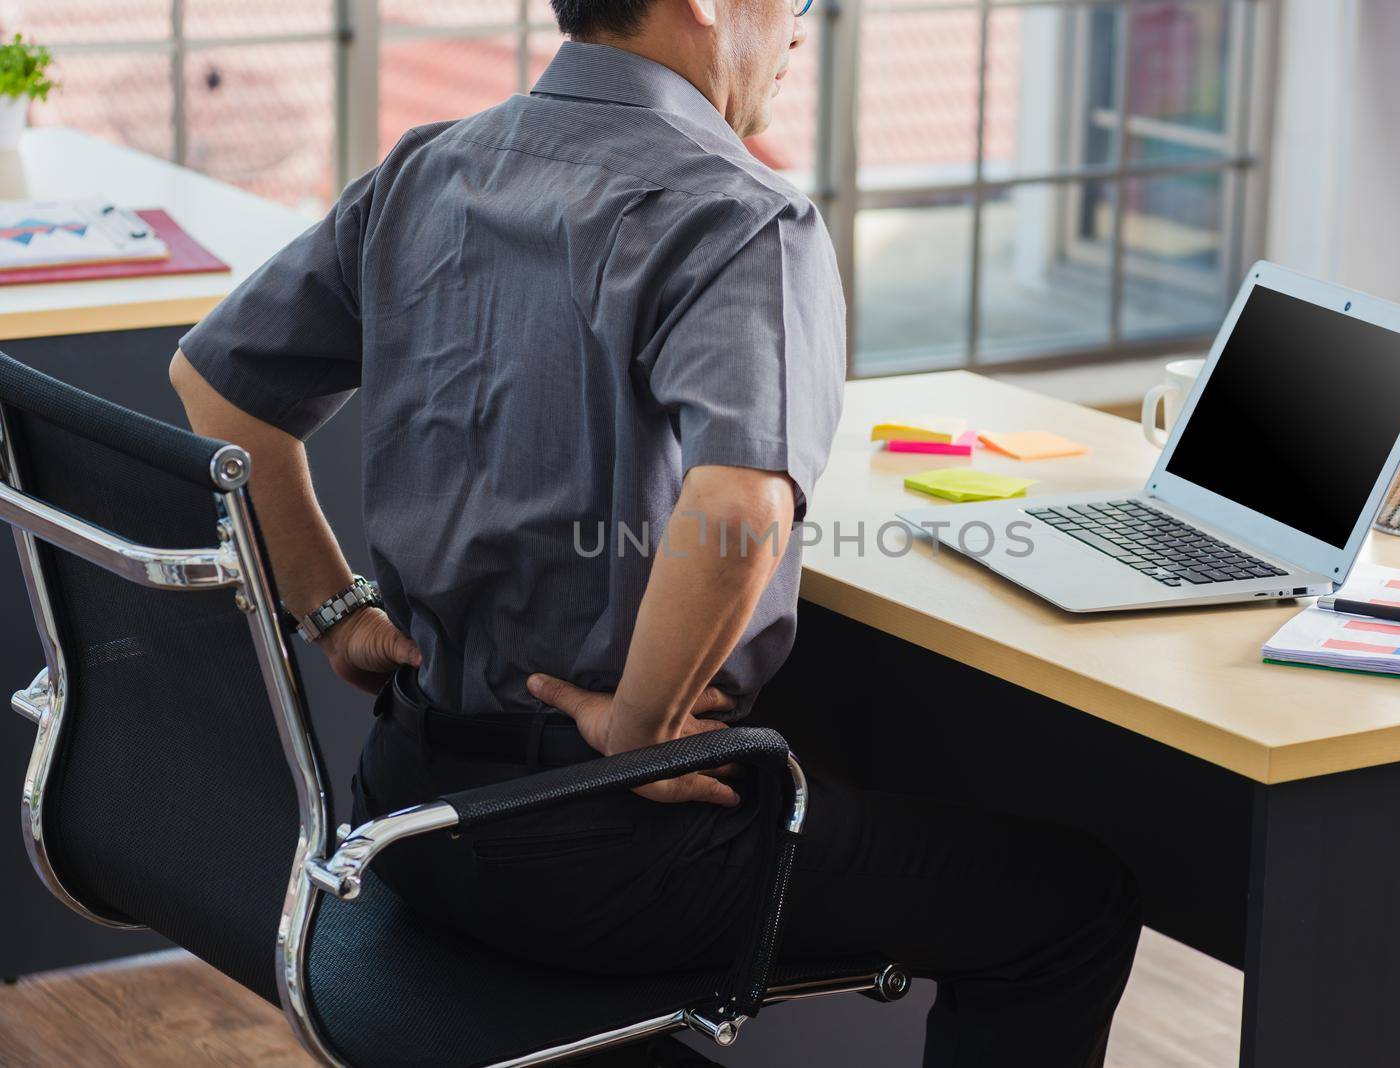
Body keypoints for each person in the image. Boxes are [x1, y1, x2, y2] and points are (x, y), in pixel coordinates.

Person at [168, 0, 1141, 1062]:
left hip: (407, 814)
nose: (803, 24)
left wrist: (334, 611)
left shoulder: (429, 166)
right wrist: (637, 733)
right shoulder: (739, 211)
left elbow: (215, 388)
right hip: (601, 858)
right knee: (1073, 903)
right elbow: (738, 505)